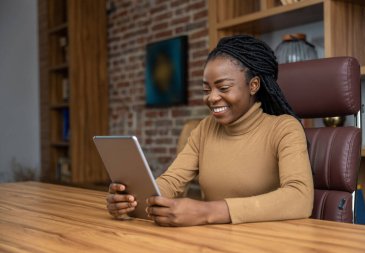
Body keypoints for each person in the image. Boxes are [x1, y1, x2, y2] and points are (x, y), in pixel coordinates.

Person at [107, 35, 314, 226]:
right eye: (206, 89)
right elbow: (172, 181)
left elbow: (299, 198)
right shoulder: (205, 129)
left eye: (223, 88)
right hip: (214, 242)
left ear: (253, 85)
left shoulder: (284, 128)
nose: (212, 97)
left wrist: (207, 212)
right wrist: (133, 200)